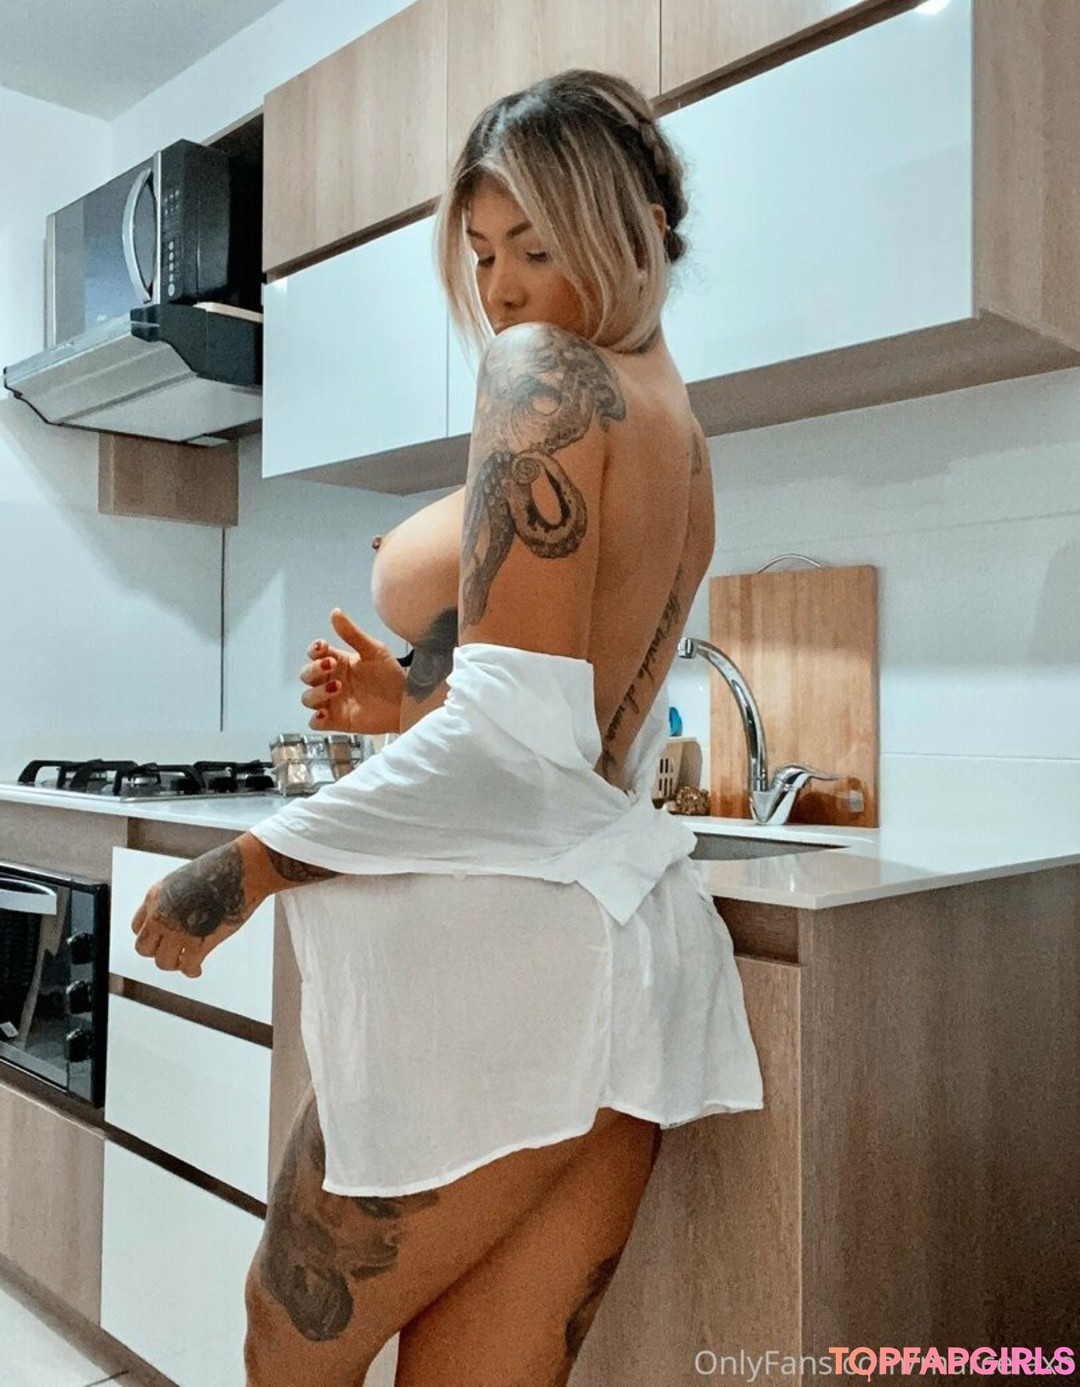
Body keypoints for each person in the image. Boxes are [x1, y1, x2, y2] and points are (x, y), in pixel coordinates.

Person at [130, 69, 763, 1387]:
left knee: (288, 1337)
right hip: (628, 962)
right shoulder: (684, 434)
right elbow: (568, 743)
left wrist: (247, 863)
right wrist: (415, 704)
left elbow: (506, 751)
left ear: (634, 229)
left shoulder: (545, 376)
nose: (504, 289)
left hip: (509, 966)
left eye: (535, 245)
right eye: (481, 254)